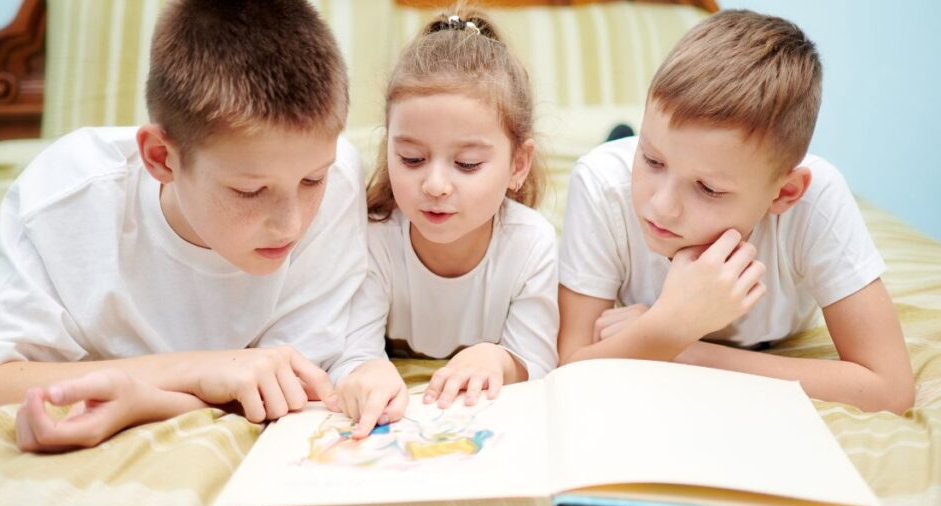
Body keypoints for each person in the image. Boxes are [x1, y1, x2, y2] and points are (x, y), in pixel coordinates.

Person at [0, 0, 367, 451]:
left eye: (311, 180)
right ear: (161, 158)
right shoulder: (68, 198)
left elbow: (289, 393)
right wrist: (194, 369)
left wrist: (145, 402)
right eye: (249, 191)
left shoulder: (339, 181)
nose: (291, 223)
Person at [558, 10, 914, 414]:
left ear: (784, 193)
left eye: (708, 188)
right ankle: (623, 136)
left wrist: (677, 342)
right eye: (652, 160)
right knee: (618, 153)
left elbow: (890, 388)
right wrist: (667, 328)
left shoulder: (818, 200)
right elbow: (570, 367)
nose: (661, 206)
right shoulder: (603, 181)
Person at [329, 11, 559, 439]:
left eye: (467, 164)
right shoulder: (373, 237)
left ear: (518, 164)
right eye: (411, 159)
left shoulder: (531, 243)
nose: (434, 185)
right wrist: (367, 369)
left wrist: (497, 359)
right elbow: (349, 349)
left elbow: (538, 359)